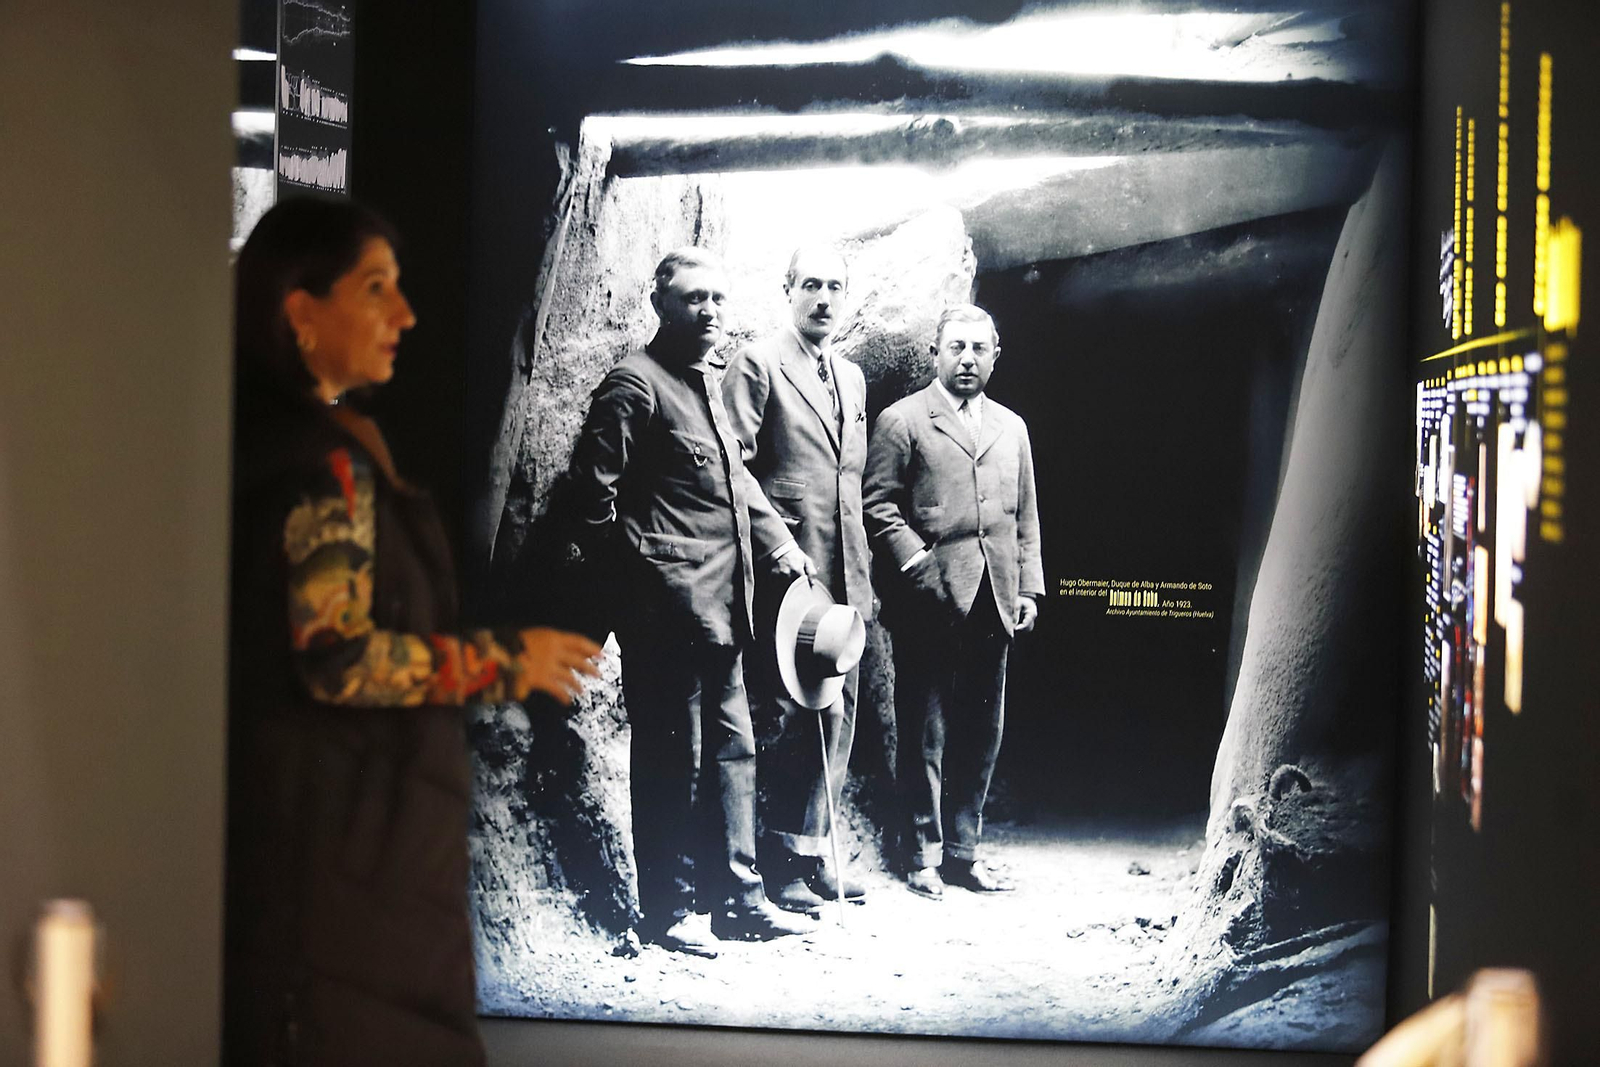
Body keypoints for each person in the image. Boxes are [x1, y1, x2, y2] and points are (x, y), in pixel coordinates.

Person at [226, 196, 601, 1066]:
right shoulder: (323, 468)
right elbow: (337, 655)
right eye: (375, 289)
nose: (406, 315)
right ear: (300, 312)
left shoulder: (300, 447)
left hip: (354, 859)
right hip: (343, 869)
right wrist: (512, 660)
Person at [567, 247, 815, 957]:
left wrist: (780, 548)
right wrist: (640, 582)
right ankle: (670, 911)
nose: (709, 312)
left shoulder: (707, 385)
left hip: (725, 610)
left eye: (718, 299)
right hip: (667, 615)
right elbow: (590, 498)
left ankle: (739, 898)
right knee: (675, 760)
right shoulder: (634, 385)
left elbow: (739, 486)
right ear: (660, 305)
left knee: (735, 753)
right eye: (694, 299)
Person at [862, 303, 1044, 900]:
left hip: (995, 596)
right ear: (936, 354)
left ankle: (965, 852)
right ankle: (921, 854)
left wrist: (1030, 589)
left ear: (996, 355)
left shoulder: (1012, 428)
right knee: (926, 730)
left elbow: (1025, 518)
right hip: (929, 599)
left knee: (982, 730)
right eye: (956, 348)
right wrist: (918, 564)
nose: (967, 359)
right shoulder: (902, 420)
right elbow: (878, 507)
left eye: (979, 349)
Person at [721, 246, 872, 913]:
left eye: (835, 286)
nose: (824, 297)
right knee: (791, 712)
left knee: (840, 714)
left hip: (845, 572)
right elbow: (734, 469)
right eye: (811, 284)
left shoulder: (853, 378)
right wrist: (777, 541)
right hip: (787, 571)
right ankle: (774, 865)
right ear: (786, 289)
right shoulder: (757, 363)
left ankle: (810, 854)